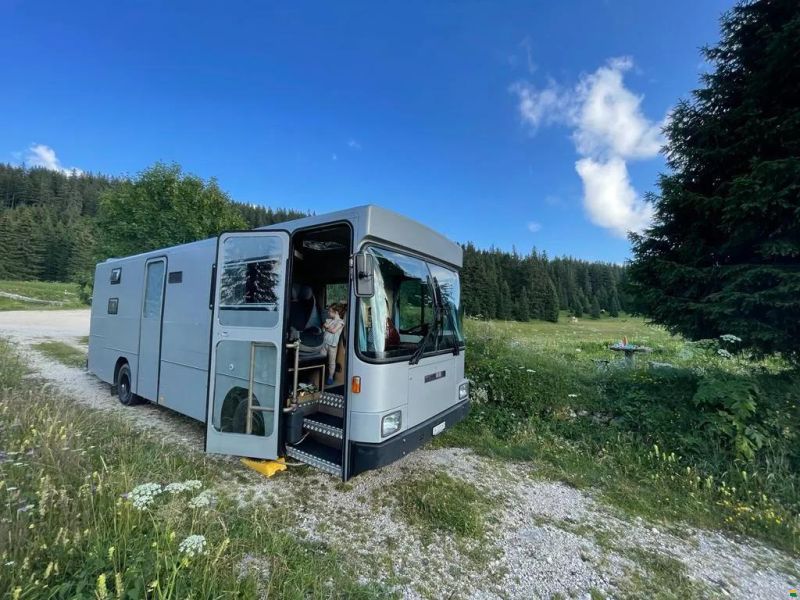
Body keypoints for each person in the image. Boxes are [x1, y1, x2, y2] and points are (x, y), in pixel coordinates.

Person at [322, 304, 345, 385]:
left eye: (330, 311)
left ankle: (330, 377)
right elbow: (324, 326)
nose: (328, 313)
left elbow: (333, 330)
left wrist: (327, 327)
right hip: (324, 343)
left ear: (336, 312)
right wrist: (327, 327)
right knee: (321, 359)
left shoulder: (341, 322)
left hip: (332, 345)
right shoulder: (329, 320)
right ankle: (321, 376)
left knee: (331, 362)